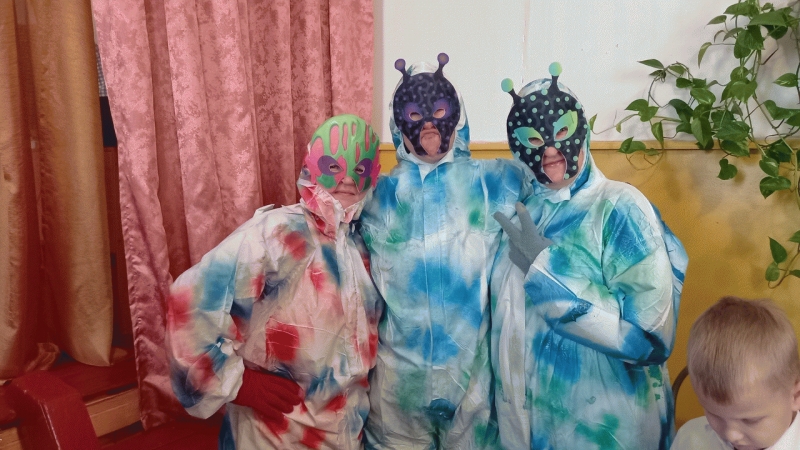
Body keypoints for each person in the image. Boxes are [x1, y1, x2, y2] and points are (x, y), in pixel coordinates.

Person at [491, 63, 689, 450]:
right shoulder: (521, 215)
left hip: (608, 429)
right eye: (533, 138)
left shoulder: (620, 207)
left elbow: (650, 337)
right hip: (535, 429)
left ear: (581, 128)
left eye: (561, 131)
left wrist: (548, 273)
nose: (550, 150)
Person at [166, 114, 384, 450]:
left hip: (346, 427)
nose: (346, 179)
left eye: (359, 169)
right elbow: (189, 300)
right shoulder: (276, 234)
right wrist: (237, 384)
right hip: (275, 431)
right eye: (333, 166)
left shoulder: (364, 242)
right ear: (312, 166)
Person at [359, 53, 528, 449]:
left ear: (457, 114)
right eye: (415, 114)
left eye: (438, 111)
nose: (429, 125)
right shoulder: (376, 198)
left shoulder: (497, 183)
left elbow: (555, 188)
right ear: (399, 123)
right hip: (399, 386)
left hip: (472, 383)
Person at [672, 296, 800, 450]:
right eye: (714, 414)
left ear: (796, 396)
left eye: (750, 420)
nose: (731, 435)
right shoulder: (690, 439)